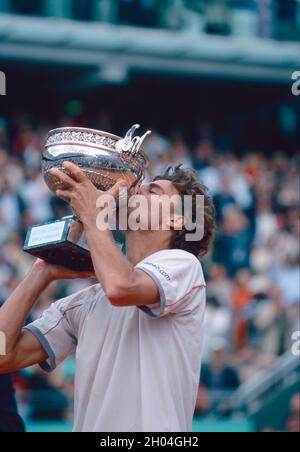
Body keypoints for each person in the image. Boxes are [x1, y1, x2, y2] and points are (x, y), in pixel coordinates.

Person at [0, 161, 216, 432]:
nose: (137, 190)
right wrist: (42, 271)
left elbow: (121, 287)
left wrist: (92, 216)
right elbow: (3, 355)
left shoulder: (184, 266)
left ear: (178, 219)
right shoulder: (85, 301)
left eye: (153, 191)